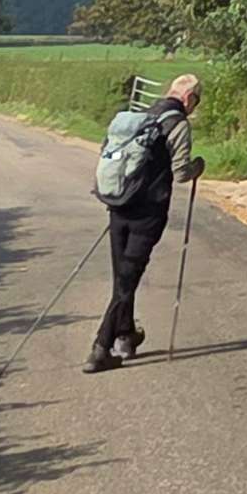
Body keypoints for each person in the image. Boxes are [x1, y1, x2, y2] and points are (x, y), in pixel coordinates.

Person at [86, 73, 203, 373]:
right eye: (197, 101)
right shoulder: (177, 124)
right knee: (127, 282)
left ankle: (126, 335)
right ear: (188, 98)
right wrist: (198, 167)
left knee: (122, 278)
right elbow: (181, 173)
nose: (195, 106)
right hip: (147, 214)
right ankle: (100, 348)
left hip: (119, 205)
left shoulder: (139, 117)